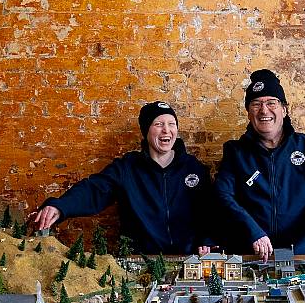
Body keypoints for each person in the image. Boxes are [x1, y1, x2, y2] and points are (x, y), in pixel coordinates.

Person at [33, 101, 213, 255]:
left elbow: (211, 210)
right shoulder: (126, 169)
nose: (166, 130)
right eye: (158, 124)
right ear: (146, 130)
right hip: (141, 261)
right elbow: (94, 190)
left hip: (189, 259)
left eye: (171, 124)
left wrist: (208, 239)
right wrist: (60, 206)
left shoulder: (194, 168)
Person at [214, 69, 305, 262]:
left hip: (301, 253)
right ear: (248, 113)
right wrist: (253, 231)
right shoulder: (235, 152)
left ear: (284, 109)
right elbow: (223, 197)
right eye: (256, 104)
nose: (264, 110)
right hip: (249, 252)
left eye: (271, 103)